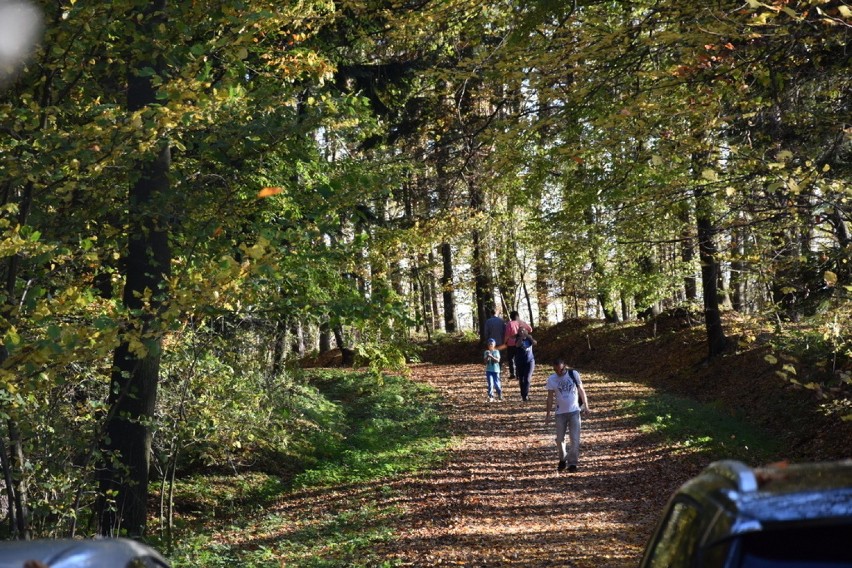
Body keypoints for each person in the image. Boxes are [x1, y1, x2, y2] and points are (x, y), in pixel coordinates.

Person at [544, 357, 590, 473]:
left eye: (560, 369)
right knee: (560, 439)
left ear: (564, 366)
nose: (559, 372)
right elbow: (550, 398)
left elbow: (581, 390)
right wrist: (548, 414)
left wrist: (586, 406)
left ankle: (573, 463)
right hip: (560, 413)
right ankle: (562, 459)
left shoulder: (573, 374)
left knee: (575, 439)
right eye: (556, 370)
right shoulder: (551, 379)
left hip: (574, 411)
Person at [503, 311, 532, 379]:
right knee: (518, 358)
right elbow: (530, 329)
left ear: (511, 317)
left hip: (511, 344)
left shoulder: (509, 324)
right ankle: (519, 374)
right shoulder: (521, 322)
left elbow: (507, 335)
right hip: (520, 343)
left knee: (510, 359)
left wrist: (504, 342)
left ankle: (512, 373)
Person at [513, 327, 537, 401]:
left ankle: (525, 395)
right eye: (520, 331)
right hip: (520, 361)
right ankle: (523, 395)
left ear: (526, 331)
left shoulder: (529, 338)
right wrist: (521, 338)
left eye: (523, 330)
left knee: (527, 378)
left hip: (530, 361)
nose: (522, 332)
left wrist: (529, 337)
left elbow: (535, 343)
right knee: (521, 379)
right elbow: (517, 345)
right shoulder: (517, 339)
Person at [483, 338, 503, 402]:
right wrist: (487, 357)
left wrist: (491, 356)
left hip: (496, 370)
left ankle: (499, 394)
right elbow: (485, 362)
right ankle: (490, 396)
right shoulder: (486, 352)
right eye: (489, 344)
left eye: (491, 344)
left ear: (494, 345)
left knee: (497, 384)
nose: (490, 345)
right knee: (490, 384)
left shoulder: (496, 351)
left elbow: (498, 360)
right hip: (489, 370)